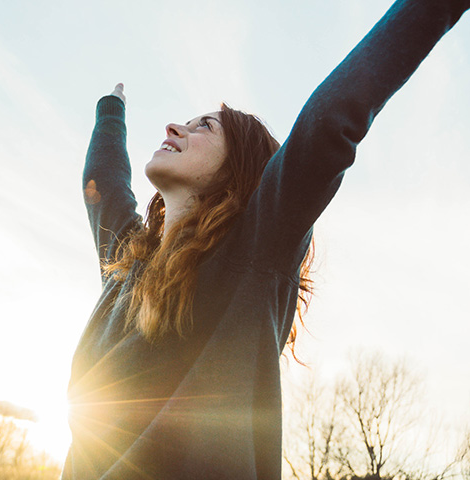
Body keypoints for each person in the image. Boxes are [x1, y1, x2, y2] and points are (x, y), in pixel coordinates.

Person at [63, 1, 469, 478]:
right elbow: (104, 184)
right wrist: (111, 111)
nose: (175, 127)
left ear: (237, 173)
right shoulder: (125, 268)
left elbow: (331, 116)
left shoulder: (253, 253)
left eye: (204, 127)